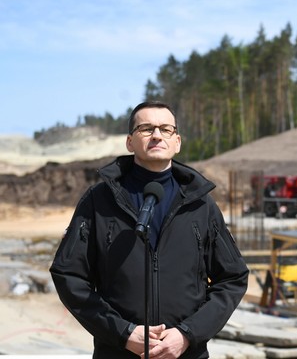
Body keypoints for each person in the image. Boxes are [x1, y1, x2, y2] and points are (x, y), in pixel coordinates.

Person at [49, 101, 249, 359]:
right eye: (146, 128)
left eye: (165, 129)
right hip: (118, 353)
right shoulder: (99, 200)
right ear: (130, 142)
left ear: (177, 142)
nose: (156, 135)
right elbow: (68, 275)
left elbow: (233, 278)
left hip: (185, 354)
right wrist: (123, 333)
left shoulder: (201, 205)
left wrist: (188, 334)